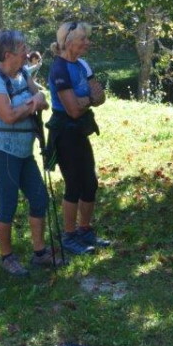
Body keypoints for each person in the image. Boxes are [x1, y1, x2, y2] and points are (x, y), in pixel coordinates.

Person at [0, 30, 58, 275]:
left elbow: (43, 99)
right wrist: (33, 102)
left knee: (39, 197)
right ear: (8, 54)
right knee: (8, 204)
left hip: (25, 151)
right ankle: (7, 257)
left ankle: (39, 253)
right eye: (22, 48)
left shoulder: (23, 74)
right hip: (2, 150)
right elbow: (8, 115)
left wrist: (39, 99)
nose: (27, 52)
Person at [47, 21, 109, 255]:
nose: (87, 42)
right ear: (68, 42)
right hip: (64, 132)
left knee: (90, 183)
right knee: (73, 183)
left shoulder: (82, 64)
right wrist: (87, 100)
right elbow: (72, 109)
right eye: (83, 38)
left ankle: (85, 230)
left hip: (80, 131)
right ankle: (69, 235)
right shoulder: (59, 69)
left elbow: (100, 96)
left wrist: (86, 100)